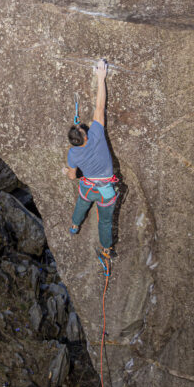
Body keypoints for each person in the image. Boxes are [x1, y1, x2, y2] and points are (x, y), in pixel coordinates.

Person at [64, 58, 118, 261]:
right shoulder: (96, 134)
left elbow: (71, 176)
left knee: (81, 205)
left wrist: (69, 171)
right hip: (105, 192)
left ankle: (75, 225)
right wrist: (101, 77)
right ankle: (106, 249)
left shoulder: (73, 154)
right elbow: (99, 106)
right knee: (105, 222)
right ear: (84, 137)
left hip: (88, 187)